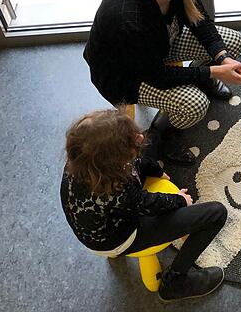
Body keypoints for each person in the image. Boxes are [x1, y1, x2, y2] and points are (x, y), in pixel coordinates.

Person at [84, 0, 241, 165]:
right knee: (195, 105)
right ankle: (162, 134)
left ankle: (200, 78)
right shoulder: (129, 21)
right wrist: (213, 71)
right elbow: (157, 76)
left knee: (232, 42)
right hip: (126, 76)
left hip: (157, 47)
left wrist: (221, 58)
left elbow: (200, 21)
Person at [60, 109, 228, 302]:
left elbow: (135, 162)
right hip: (121, 237)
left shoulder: (85, 163)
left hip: (98, 229)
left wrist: (154, 169)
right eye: (131, 141)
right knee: (216, 213)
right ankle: (175, 282)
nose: (140, 136)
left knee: (147, 151)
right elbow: (147, 203)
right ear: (116, 160)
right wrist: (180, 200)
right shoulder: (113, 189)